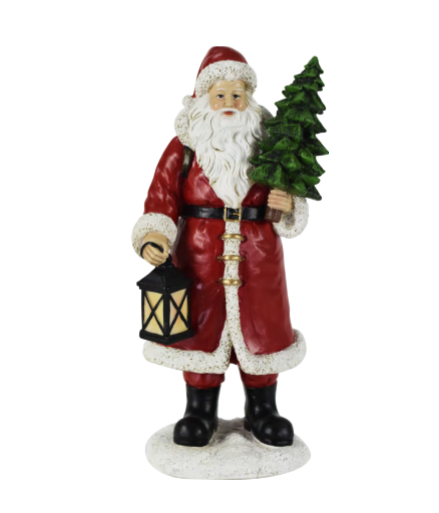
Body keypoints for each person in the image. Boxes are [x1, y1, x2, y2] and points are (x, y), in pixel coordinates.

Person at [131, 47, 309, 448]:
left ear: (249, 99)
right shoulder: (184, 148)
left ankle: (263, 409)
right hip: (199, 262)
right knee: (201, 334)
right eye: (220, 95)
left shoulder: (270, 147)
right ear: (203, 99)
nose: (229, 102)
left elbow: (291, 194)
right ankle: (200, 410)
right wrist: (155, 235)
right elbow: (161, 197)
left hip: (259, 261)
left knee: (261, 335)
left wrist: (289, 203)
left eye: (237, 94)